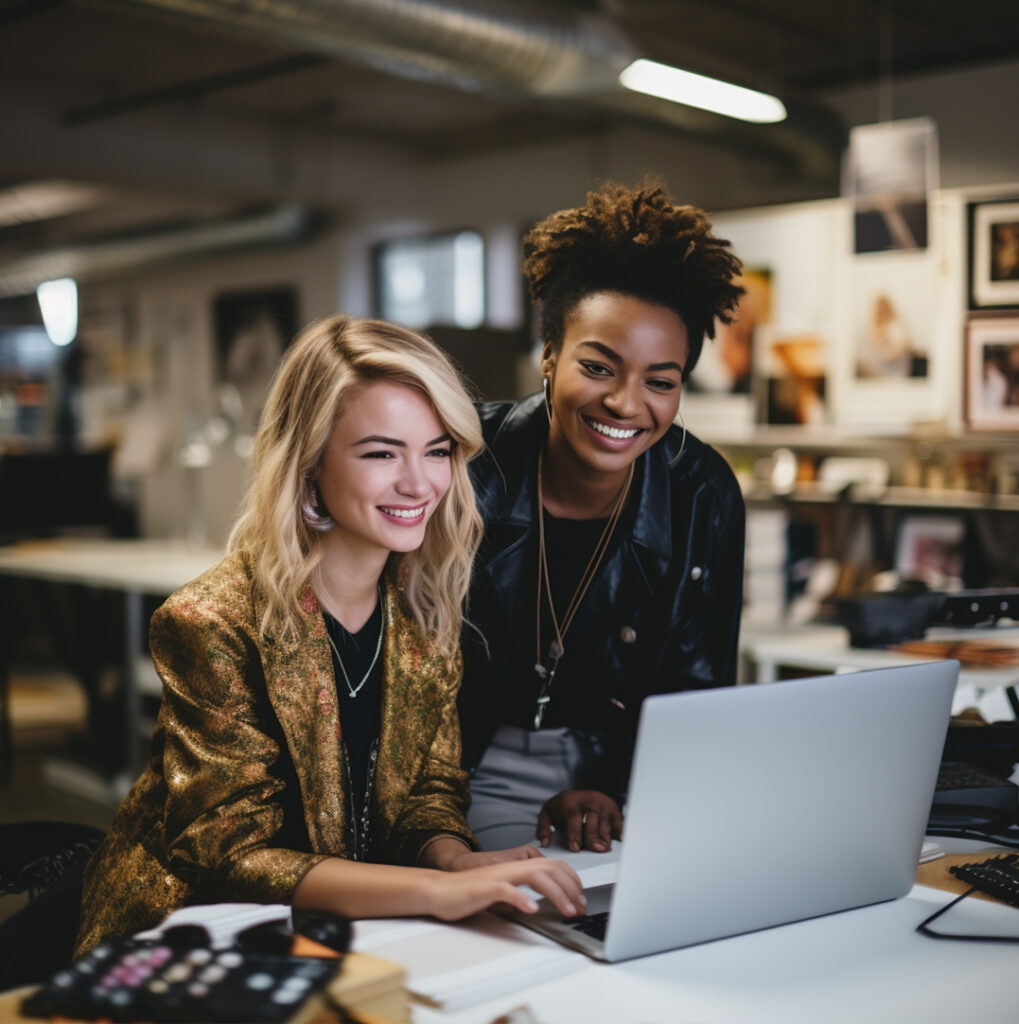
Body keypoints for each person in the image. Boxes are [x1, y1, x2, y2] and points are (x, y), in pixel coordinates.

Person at [74, 314, 583, 957]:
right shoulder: (210, 623)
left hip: (343, 932)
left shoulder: (422, 611)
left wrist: (453, 863)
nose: (419, 482)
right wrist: (431, 893)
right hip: (190, 943)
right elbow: (231, 854)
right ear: (310, 462)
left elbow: (427, 793)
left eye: (437, 450)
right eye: (380, 452)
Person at [459, 180, 747, 854]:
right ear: (549, 358)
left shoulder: (700, 492)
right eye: (598, 366)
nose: (625, 403)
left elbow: (695, 692)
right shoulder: (462, 462)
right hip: (459, 769)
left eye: (660, 381)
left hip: (615, 781)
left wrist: (615, 786)